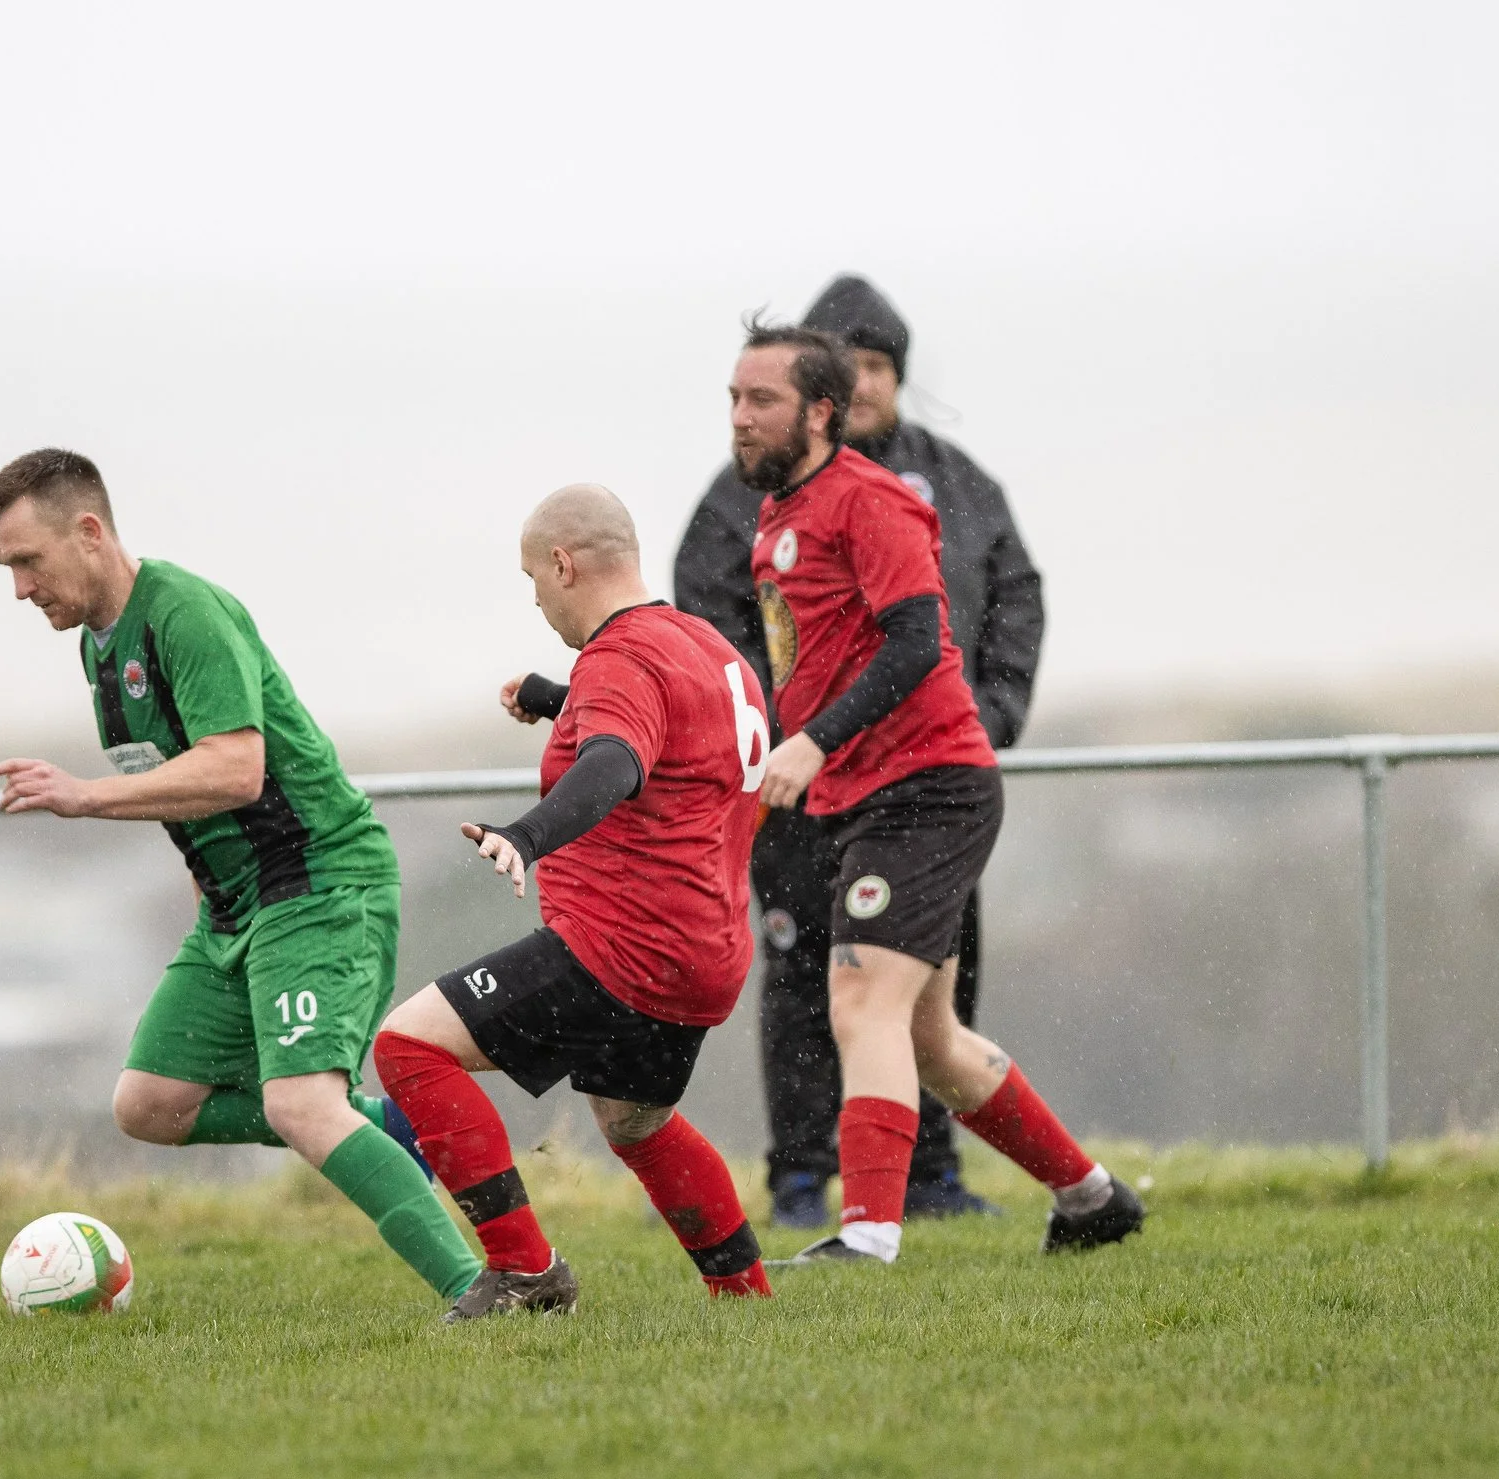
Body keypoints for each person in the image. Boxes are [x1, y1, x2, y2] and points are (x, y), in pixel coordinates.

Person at [0, 448, 481, 1306]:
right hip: (238, 907)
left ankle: (486, 1290)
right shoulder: (102, 649)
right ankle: (379, 1130)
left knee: (299, 1105)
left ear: (90, 532)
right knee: (149, 1105)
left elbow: (237, 769)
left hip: (319, 883)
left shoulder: (184, 614)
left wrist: (86, 797)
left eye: (29, 561)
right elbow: (183, 786)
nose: (21, 589)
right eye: (9, 569)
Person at [724, 325, 1145, 1266]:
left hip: (931, 790)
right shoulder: (777, 515)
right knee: (929, 1041)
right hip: (864, 796)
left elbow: (918, 644)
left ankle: (869, 1239)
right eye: (735, 399)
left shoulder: (872, 503)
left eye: (763, 401)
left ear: (821, 412)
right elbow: (808, 661)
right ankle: (1093, 1199)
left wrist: (814, 740)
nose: (742, 419)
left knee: (857, 1006)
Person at [674, 275, 1046, 1229]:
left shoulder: (951, 485)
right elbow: (715, 631)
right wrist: (785, 738)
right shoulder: (745, 500)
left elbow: (1006, 601)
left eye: (881, 366)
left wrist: (991, 714)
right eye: (851, 363)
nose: (867, 383)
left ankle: (931, 1182)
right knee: (811, 981)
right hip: (800, 792)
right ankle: (803, 1177)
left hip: (922, 782)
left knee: (924, 996)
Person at [373, 485, 773, 1320]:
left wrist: (527, 835)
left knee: (409, 1048)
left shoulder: (620, 656)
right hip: (706, 949)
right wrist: (561, 701)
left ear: (564, 564)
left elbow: (618, 765)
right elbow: (673, 739)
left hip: (621, 947)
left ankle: (526, 1271)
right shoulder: (709, 648)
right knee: (634, 1122)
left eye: (533, 580)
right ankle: (747, 1296)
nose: (538, 600)